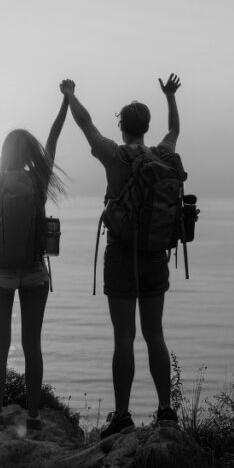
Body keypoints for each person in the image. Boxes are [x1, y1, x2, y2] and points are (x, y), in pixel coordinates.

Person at [59, 74, 182, 438]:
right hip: (156, 254)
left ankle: (123, 416)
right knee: (155, 334)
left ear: (122, 127)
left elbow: (85, 123)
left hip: (121, 254)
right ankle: (166, 411)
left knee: (123, 337)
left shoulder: (114, 154)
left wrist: (70, 94)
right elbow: (175, 130)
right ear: (146, 127)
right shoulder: (163, 154)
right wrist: (170, 97)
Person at [0, 93, 69, 432]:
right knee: (32, 346)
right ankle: (35, 416)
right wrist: (65, 102)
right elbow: (53, 138)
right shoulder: (38, 181)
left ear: (4, 153)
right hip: (34, 272)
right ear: (29, 154)